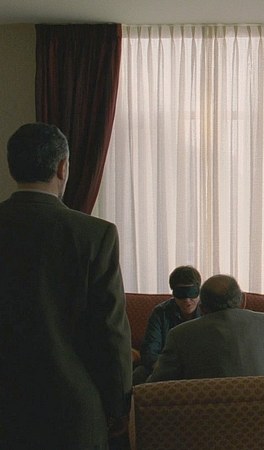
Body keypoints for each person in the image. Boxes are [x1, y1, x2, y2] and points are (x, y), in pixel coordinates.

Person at [0, 123, 132, 449]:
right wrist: (119, 403)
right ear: (63, 167)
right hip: (71, 411)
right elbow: (110, 331)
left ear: (12, 166)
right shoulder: (94, 235)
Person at [147, 274, 264, 382]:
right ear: (242, 302)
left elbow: (155, 385)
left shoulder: (179, 335)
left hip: (202, 419)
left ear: (202, 308)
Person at [132, 265, 202, 385]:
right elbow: (150, 351)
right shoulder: (161, 313)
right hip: (166, 367)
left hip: (200, 367)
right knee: (140, 374)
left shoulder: (209, 311)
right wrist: (166, 369)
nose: (187, 300)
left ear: (199, 291)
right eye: (181, 294)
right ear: (173, 293)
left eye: (192, 293)